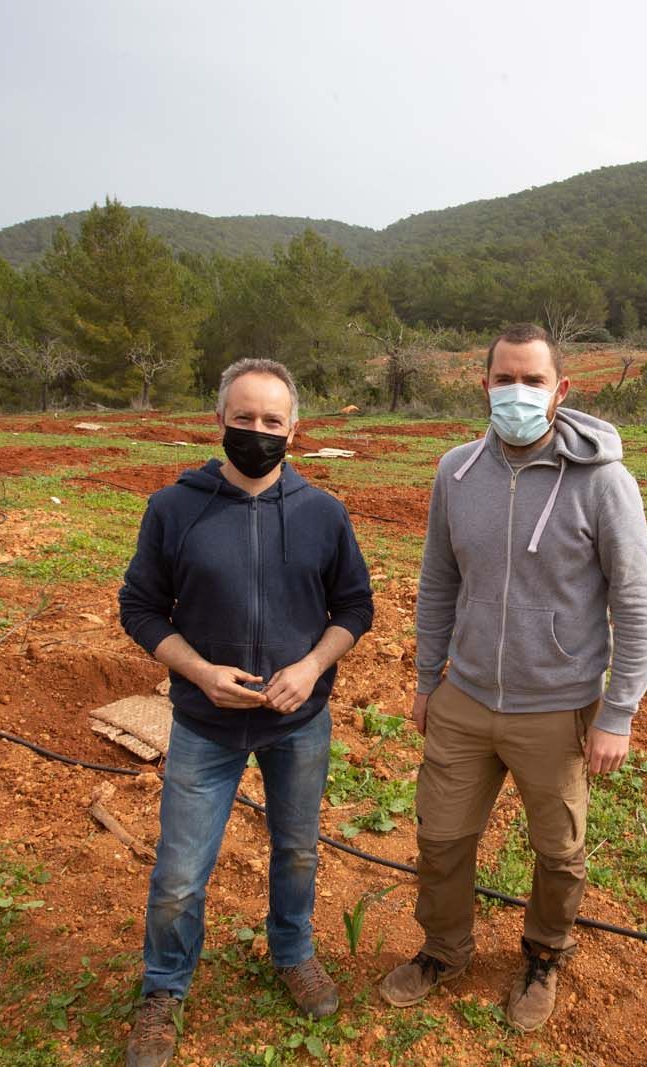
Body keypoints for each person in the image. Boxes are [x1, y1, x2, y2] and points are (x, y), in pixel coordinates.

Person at [378, 323, 647, 1031]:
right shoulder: (456, 472)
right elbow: (438, 580)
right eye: (504, 378)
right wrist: (425, 678)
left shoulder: (604, 483)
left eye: (533, 380)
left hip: (557, 708)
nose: (517, 392)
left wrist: (618, 712)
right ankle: (444, 950)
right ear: (484, 386)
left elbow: (638, 603)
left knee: (558, 851)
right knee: (440, 837)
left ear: (560, 390)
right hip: (465, 697)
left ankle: (543, 955)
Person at [118, 358, 374, 1067]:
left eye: (271, 420)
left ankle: (292, 952)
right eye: (244, 418)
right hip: (206, 723)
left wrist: (311, 665)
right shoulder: (175, 507)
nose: (256, 432)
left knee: (296, 849)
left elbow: (355, 606)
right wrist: (198, 669)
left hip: (299, 722)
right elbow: (138, 606)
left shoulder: (323, 513)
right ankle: (164, 988)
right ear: (219, 421)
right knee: (178, 870)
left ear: (295, 428)